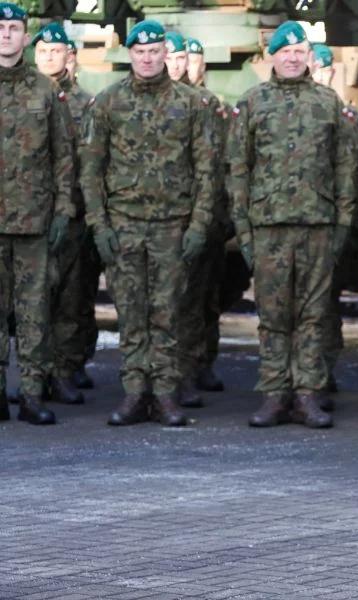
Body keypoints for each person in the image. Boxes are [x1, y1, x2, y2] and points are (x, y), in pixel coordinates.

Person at [81, 19, 217, 427]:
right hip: (123, 225)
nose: (146, 58)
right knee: (131, 313)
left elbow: (207, 171)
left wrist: (199, 225)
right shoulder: (108, 103)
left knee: (167, 313)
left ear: (164, 54)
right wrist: (99, 225)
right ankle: (134, 392)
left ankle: (164, 394)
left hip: (171, 226)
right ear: (131, 55)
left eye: (154, 51)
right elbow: (91, 171)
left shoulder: (191, 104)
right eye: (139, 52)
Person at [227, 22, 355, 428]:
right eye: (285, 51)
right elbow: (238, 170)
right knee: (273, 316)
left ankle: (307, 394)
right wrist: (244, 230)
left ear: (308, 56)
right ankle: (274, 394)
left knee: (313, 315)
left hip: (317, 224)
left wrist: (342, 224)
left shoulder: (328, 103)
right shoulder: (251, 103)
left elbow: (346, 169)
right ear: (272, 57)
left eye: (300, 51)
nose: (293, 57)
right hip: (268, 227)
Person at [0, 3, 74, 425]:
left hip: (33, 220)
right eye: (1, 28)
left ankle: (30, 393)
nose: (7, 35)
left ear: (25, 37)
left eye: (14, 28)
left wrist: (63, 209)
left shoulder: (44, 90)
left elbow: (64, 155)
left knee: (33, 313)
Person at [33, 21, 97, 408]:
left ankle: (63, 370)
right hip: (30, 215)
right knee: (34, 300)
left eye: (56, 52)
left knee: (71, 299)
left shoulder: (86, 103)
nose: (49, 58)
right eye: (42, 52)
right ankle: (34, 373)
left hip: (73, 215)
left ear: (69, 57)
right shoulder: (24, 95)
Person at [167, 33, 230, 406]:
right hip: (162, 217)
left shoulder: (208, 104)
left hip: (201, 217)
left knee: (199, 300)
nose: (180, 66)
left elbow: (219, 163)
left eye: (187, 60)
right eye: (173, 58)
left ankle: (194, 367)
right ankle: (166, 375)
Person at [311, 41, 358, 399]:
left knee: (326, 304)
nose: (315, 75)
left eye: (320, 68)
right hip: (308, 222)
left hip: (337, 223)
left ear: (329, 72)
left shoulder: (349, 119)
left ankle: (323, 371)